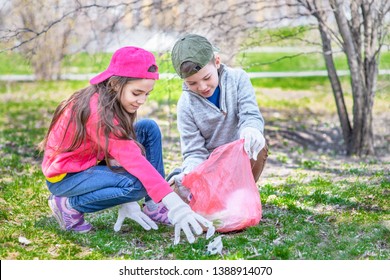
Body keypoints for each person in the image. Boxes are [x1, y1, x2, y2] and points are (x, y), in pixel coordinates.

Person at [39, 46, 212, 245]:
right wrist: (174, 203)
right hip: (66, 177)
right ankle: (68, 204)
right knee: (137, 184)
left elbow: (119, 150)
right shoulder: (98, 113)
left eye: (147, 94)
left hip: (90, 161)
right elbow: (133, 159)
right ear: (114, 84)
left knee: (148, 128)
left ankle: (153, 206)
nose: (142, 100)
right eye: (137, 93)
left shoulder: (108, 100)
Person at [168, 34, 268, 198]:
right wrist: (191, 173)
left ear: (217, 62)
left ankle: (237, 194)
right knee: (179, 195)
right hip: (209, 167)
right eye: (192, 83)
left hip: (239, 157)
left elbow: (250, 115)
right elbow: (194, 152)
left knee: (258, 146)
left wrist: (251, 129)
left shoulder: (238, 79)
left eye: (207, 77)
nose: (202, 87)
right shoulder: (186, 104)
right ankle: (184, 185)